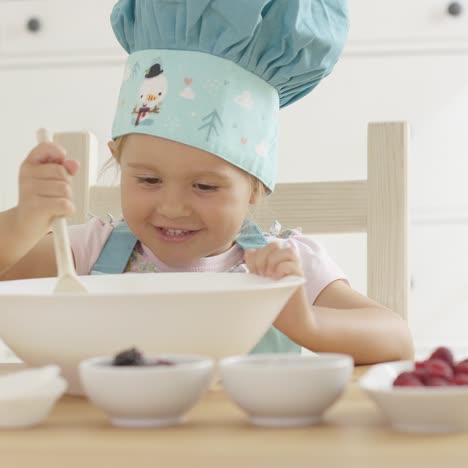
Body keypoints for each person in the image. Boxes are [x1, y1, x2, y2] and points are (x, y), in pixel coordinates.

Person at [0, 0, 414, 363]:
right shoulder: (90, 251)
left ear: (256, 186)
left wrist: (306, 323)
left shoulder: (283, 264)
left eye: (205, 186)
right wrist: (27, 217)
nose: (174, 207)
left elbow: (396, 338)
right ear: (118, 163)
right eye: (147, 179)